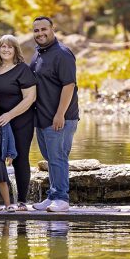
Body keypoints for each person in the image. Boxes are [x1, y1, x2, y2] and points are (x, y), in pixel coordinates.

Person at [30, 16, 79, 212]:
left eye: (44, 29)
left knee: (57, 157)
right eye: (36, 31)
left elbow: (69, 86)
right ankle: (52, 196)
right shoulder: (39, 54)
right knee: (51, 157)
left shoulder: (63, 54)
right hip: (42, 117)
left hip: (60, 118)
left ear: (52, 29)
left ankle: (61, 198)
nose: (40, 33)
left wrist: (60, 114)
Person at [0, 35, 36, 211]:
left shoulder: (23, 70)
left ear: (16, 50)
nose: (6, 50)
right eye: (2, 47)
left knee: (19, 159)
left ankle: (21, 201)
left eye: (10, 47)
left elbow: (30, 98)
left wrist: (9, 115)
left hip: (20, 121)